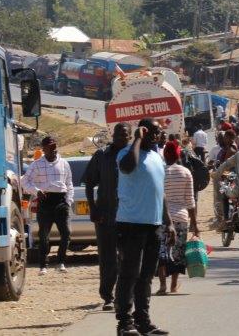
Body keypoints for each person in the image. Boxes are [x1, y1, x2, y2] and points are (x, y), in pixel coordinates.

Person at [114, 118, 174, 336]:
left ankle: (143, 321)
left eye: (159, 132)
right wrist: (137, 140)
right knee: (130, 273)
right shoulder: (127, 153)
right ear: (143, 131)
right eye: (153, 131)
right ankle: (124, 323)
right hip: (131, 223)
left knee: (147, 275)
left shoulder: (157, 157)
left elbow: (160, 191)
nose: (157, 135)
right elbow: (127, 167)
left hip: (153, 224)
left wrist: (168, 221)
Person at [84, 123, 131, 310]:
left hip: (130, 216)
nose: (121, 137)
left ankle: (125, 295)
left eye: (125, 135)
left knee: (128, 257)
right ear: (113, 134)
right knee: (107, 258)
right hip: (106, 215)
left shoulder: (134, 155)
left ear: (130, 137)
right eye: (118, 134)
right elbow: (89, 183)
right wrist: (93, 208)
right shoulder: (101, 156)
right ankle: (108, 297)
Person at [22, 136, 74, 275]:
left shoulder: (64, 163)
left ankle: (60, 262)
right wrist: (36, 191)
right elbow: (25, 182)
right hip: (45, 201)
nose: (54, 149)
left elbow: (69, 183)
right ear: (44, 149)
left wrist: (68, 201)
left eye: (55, 146)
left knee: (66, 234)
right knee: (44, 235)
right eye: (50, 147)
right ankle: (43, 266)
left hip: (61, 201)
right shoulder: (36, 164)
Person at [156, 142, 199, 296]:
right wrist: (194, 224)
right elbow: (190, 201)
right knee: (178, 252)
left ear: (164, 154)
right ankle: (173, 285)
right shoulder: (186, 172)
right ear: (178, 154)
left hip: (161, 218)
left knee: (162, 250)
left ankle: (162, 285)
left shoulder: (159, 171)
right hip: (181, 217)